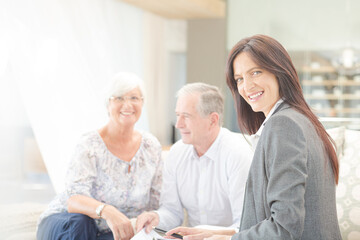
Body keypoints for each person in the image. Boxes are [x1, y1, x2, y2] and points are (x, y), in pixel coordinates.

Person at [203, 35, 342, 240]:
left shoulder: (283, 125)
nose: (247, 86)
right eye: (239, 79)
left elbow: (285, 228)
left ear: (279, 72)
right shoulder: (302, 120)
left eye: (256, 72)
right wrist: (217, 234)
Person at [36, 72, 163, 240]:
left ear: (142, 103)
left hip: (108, 232)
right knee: (81, 222)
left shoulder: (151, 146)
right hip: (67, 222)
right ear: (107, 105)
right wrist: (107, 211)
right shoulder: (90, 144)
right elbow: (74, 199)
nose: (127, 105)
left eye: (134, 98)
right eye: (118, 98)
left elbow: (156, 201)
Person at [136, 82, 253, 239]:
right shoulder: (176, 153)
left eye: (186, 116)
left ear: (212, 120)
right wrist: (157, 218)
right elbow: (172, 211)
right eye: (178, 115)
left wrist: (210, 235)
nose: (178, 124)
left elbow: (245, 226)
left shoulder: (238, 155)